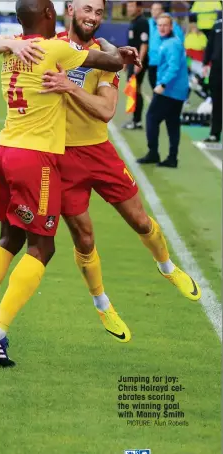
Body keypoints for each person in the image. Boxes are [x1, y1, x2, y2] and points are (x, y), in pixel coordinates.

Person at [0, 0, 139, 368]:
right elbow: (113, 64)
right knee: (43, 248)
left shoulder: (12, 49)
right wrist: (113, 49)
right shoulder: (56, 48)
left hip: (2, 151)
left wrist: (7, 42)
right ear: (53, 17)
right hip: (33, 159)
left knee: (9, 238)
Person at [40, 1, 201, 327]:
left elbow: (105, 110)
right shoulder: (50, 46)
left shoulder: (105, 56)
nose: (93, 17)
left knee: (140, 221)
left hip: (99, 152)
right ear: (70, 9)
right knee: (83, 239)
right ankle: (102, 305)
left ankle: (167, 266)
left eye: (99, 13)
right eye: (87, 9)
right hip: (62, 156)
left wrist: (69, 86)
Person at [137, 13, 189, 167]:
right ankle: (172, 157)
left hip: (170, 90)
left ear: (171, 27)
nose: (162, 28)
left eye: (165, 25)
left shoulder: (171, 44)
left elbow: (173, 67)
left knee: (152, 118)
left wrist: (163, 85)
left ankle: (153, 153)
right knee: (172, 122)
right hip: (177, 91)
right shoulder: (169, 41)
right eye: (159, 25)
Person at [122, 1, 149, 130]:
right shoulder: (134, 21)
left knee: (136, 88)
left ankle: (137, 121)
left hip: (138, 61)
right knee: (133, 89)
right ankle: (135, 119)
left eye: (132, 6)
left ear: (139, 8)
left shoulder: (142, 22)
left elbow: (144, 44)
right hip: (132, 60)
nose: (129, 9)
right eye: (128, 6)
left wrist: (139, 62)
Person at [148, 1, 184, 89]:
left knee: (164, 88)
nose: (155, 12)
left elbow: (179, 41)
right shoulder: (149, 23)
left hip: (165, 63)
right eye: (153, 9)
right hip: (152, 61)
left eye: (157, 9)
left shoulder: (171, 25)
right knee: (154, 87)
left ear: (162, 11)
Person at [202, 12, 222, 143]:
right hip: (216, 67)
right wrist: (205, 63)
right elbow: (210, 44)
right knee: (217, 101)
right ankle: (214, 133)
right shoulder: (218, 23)